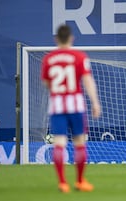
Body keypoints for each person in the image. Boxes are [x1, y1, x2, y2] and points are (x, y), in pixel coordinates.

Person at [41, 25, 101, 193]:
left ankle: (62, 182)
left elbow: (46, 83)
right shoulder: (79, 56)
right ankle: (80, 181)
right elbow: (88, 81)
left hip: (57, 106)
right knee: (79, 144)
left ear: (56, 39)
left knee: (59, 143)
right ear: (71, 38)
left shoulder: (48, 59)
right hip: (76, 105)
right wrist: (95, 102)